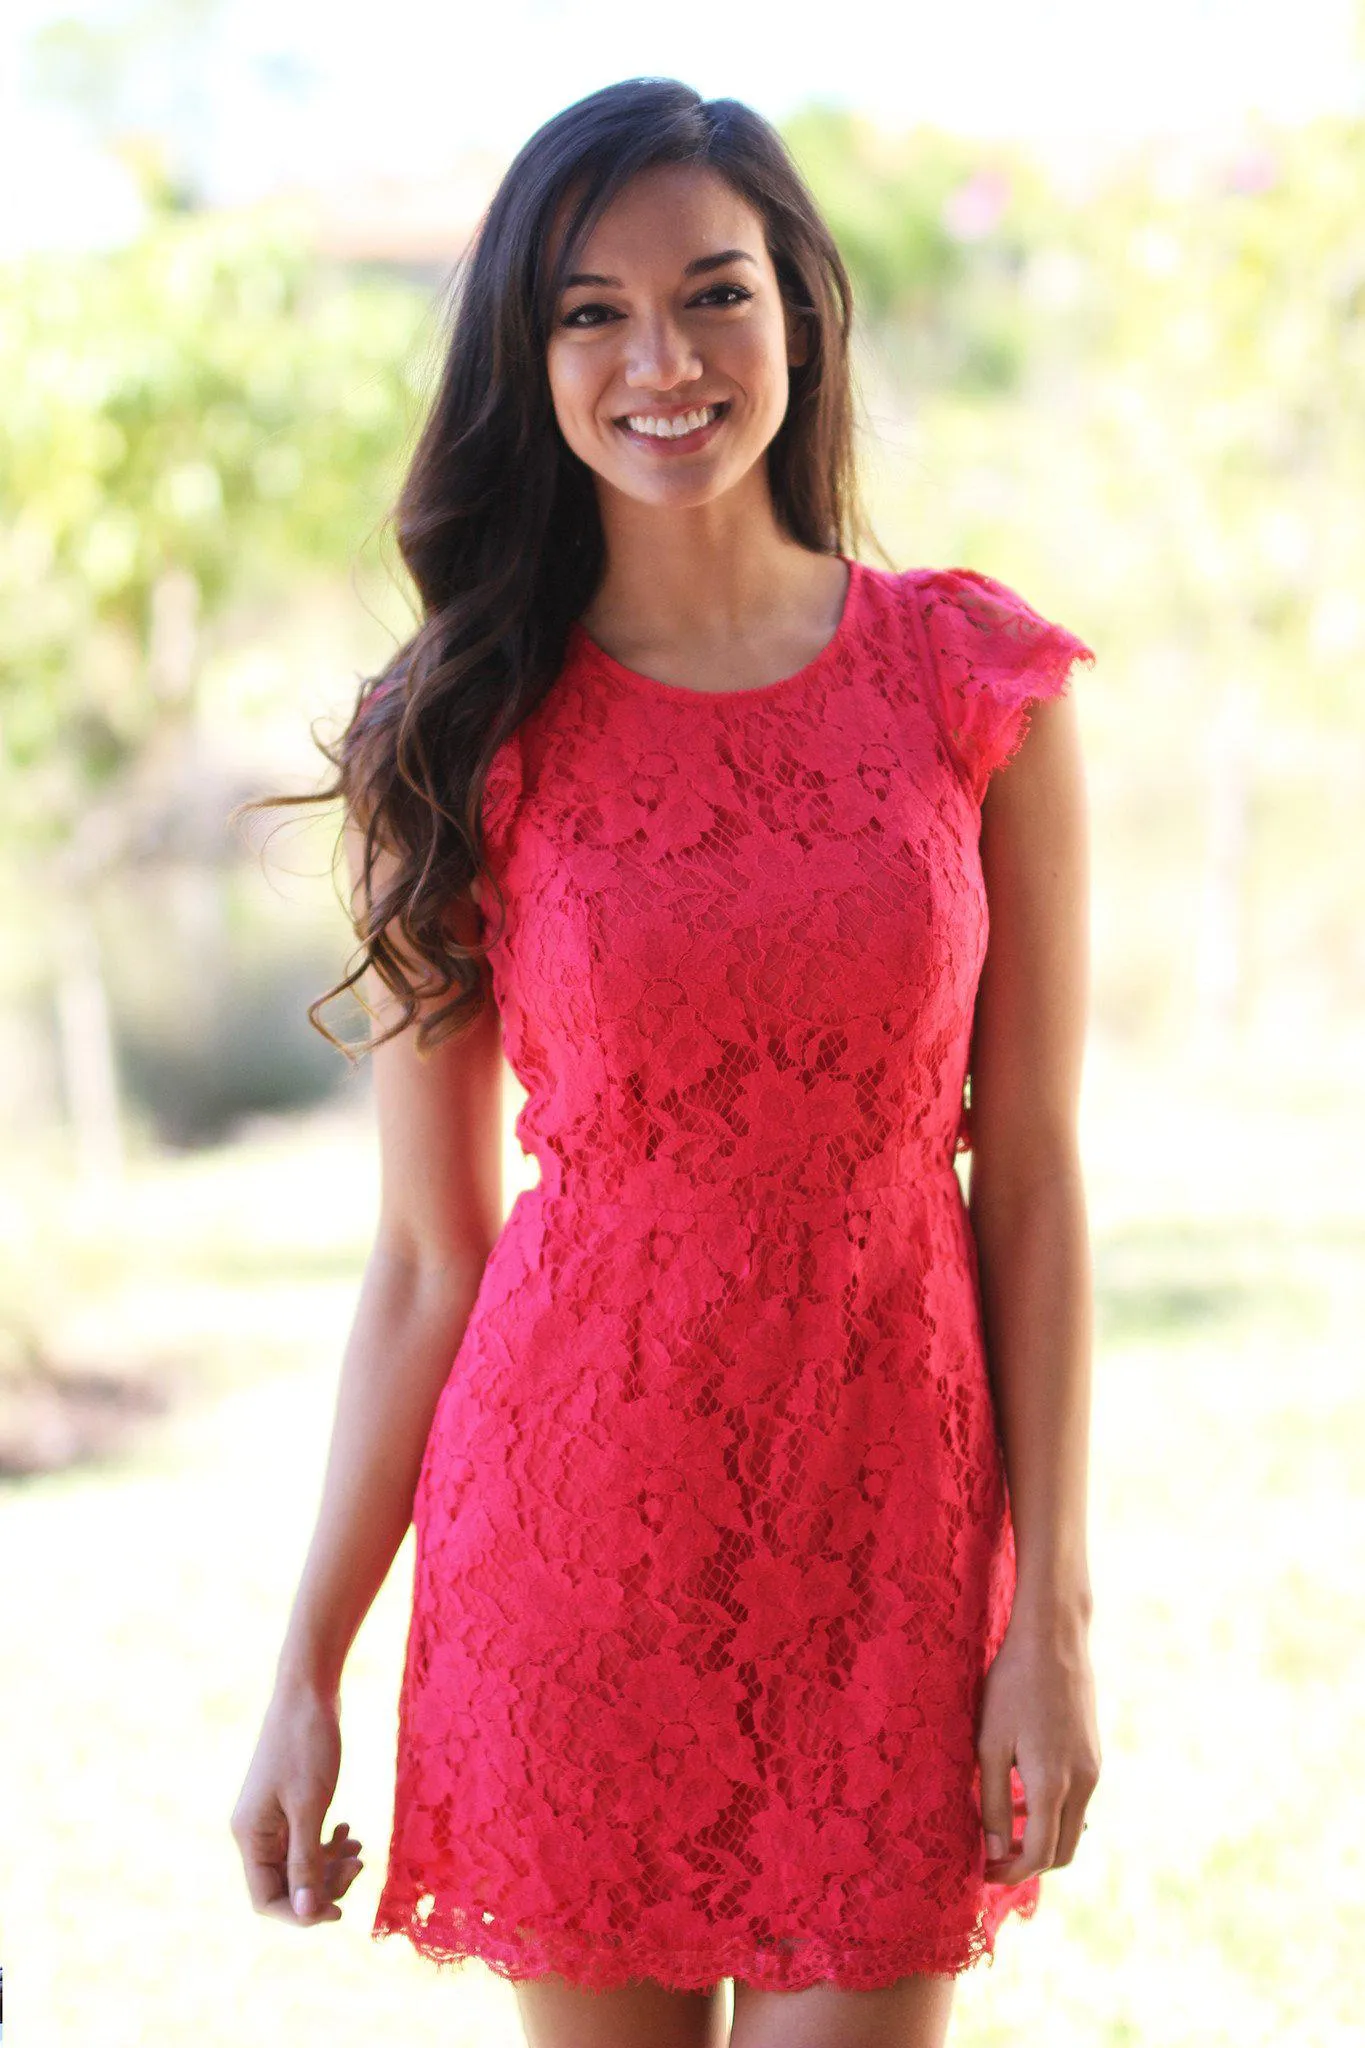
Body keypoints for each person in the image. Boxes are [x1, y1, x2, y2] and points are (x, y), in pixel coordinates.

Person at [230, 78, 1102, 2048]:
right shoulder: (456, 734)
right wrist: (305, 1664)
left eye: (713, 294)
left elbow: (1030, 1176)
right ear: (527, 361)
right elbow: (425, 1261)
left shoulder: (972, 686)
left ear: (799, 310)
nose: (661, 359)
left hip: (893, 1535)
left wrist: (1045, 1613)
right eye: (587, 311)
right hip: (575, 1551)